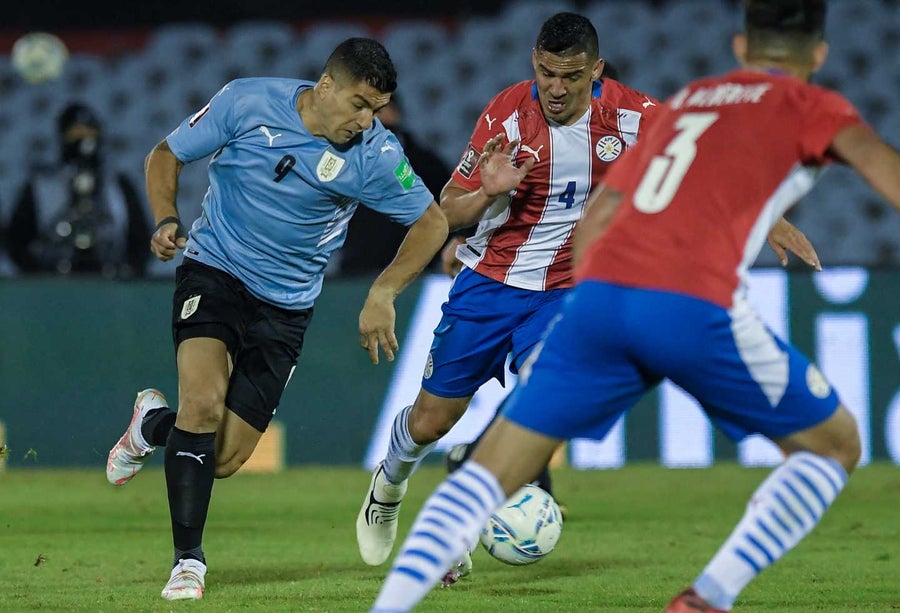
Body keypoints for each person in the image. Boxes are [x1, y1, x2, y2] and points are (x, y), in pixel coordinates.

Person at [369, 0, 900, 611]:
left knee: (488, 469)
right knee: (835, 445)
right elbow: (878, 168)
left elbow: (603, 213)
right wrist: (771, 218)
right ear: (820, 54)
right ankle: (708, 597)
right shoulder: (811, 106)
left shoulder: (691, 101)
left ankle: (399, 593)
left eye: (572, 75)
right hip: (681, 300)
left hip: (598, 299)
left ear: (739, 48)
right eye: (547, 73)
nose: (556, 87)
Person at [104, 38, 448, 601]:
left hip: (286, 306)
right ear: (327, 85)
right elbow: (165, 154)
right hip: (214, 270)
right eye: (360, 104)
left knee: (222, 459)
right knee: (202, 404)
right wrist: (165, 218)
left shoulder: (376, 154)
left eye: (377, 109)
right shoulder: (247, 102)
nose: (367, 121)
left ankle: (150, 426)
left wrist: (384, 291)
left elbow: (431, 222)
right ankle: (188, 562)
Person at [7, 102, 149, 277]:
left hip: (110, 279)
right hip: (55, 282)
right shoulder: (41, 186)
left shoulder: (118, 184)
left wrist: (129, 271)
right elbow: (16, 241)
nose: (84, 138)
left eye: (89, 131)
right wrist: (38, 273)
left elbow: (140, 239)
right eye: (75, 132)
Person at [340, 95, 451, 275]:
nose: (375, 119)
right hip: (357, 270)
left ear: (396, 113)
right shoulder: (346, 160)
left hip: (413, 272)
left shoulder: (426, 164)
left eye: (381, 110)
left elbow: (448, 212)